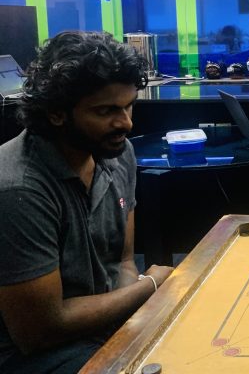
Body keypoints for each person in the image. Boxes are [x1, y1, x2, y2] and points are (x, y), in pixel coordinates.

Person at [0, 31, 174, 374]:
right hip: (36, 355)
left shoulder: (117, 152)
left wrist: (134, 327)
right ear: (56, 113)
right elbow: (40, 330)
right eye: (106, 110)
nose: (126, 123)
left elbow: (123, 261)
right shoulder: (18, 188)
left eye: (128, 105)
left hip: (100, 328)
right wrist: (151, 287)